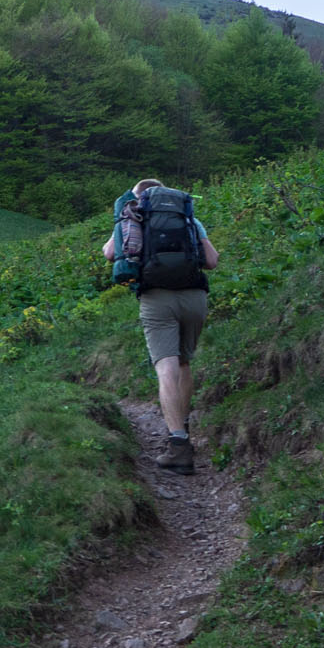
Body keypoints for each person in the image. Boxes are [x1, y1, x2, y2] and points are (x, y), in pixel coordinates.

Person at [103, 178, 220, 474]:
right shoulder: (188, 217)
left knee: (165, 367)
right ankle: (183, 424)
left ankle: (178, 445)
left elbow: (109, 253)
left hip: (156, 298)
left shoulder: (133, 215)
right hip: (195, 296)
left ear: (138, 196)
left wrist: (122, 221)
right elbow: (212, 260)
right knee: (183, 364)